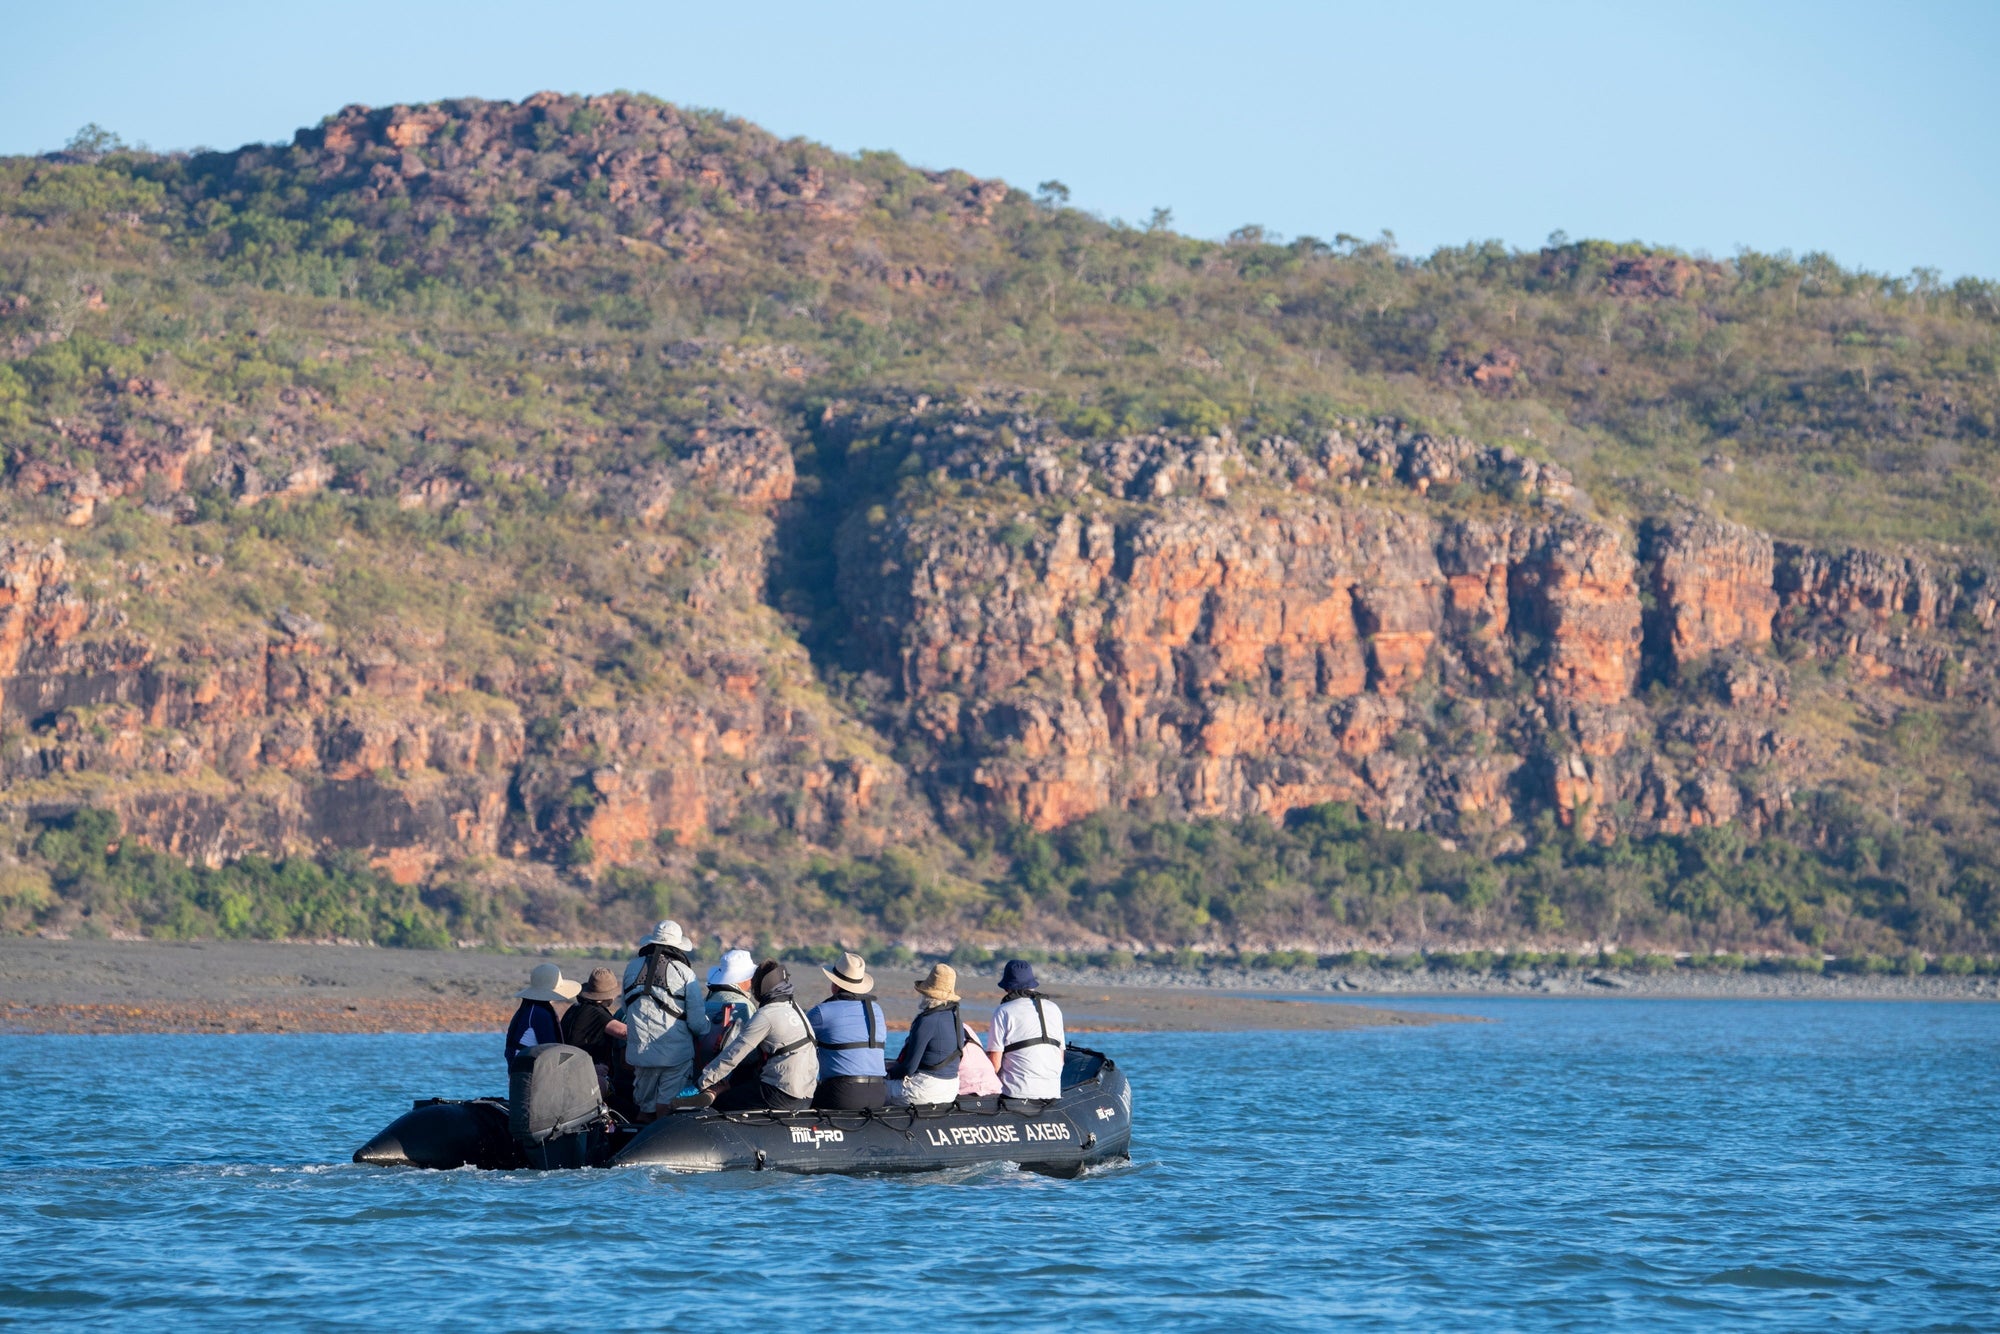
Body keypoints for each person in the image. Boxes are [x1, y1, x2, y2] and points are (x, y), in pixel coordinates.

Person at [618, 919, 710, 1120]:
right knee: (666, 1105)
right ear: (677, 946)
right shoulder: (685, 972)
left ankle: (636, 1142)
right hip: (675, 1054)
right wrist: (707, 1029)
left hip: (640, 1052)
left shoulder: (631, 967)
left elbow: (626, 1007)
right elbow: (696, 1021)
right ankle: (662, 1142)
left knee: (645, 1105)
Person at [696, 960, 818, 1112]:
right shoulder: (796, 1009)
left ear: (762, 987)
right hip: (806, 1096)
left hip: (780, 1094)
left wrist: (702, 1082)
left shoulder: (766, 1014)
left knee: (720, 1102)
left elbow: (734, 1054)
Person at [806, 952, 888, 1110]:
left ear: (834, 985)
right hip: (878, 1093)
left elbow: (794, 1041)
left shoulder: (822, 1012)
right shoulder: (876, 1010)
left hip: (841, 1094)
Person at [984, 959, 1065, 1100]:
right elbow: (1061, 1060)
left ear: (1007, 987)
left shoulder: (1003, 1011)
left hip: (1016, 1094)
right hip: (1053, 1092)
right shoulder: (1054, 1009)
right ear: (1032, 985)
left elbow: (994, 1065)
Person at [885, 963, 963, 1108]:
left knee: (877, 1089)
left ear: (926, 994)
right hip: (951, 1088)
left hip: (927, 1090)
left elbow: (908, 1068)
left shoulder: (926, 1020)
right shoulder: (956, 1019)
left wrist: (888, 1073)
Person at [561, 966, 633, 1116]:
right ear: (607, 996)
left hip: (570, 1071)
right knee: (630, 1111)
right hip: (587, 1076)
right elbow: (625, 1032)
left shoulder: (576, 1008)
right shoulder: (596, 1013)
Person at [698, 949, 759, 1081]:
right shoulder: (743, 1005)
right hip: (731, 1073)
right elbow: (751, 1052)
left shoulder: (706, 1001)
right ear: (744, 978)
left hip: (700, 1066)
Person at [505, 962, 579, 1061]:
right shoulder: (540, 1014)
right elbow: (552, 1050)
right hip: (529, 1071)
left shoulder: (529, 1007)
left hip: (519, 1069)